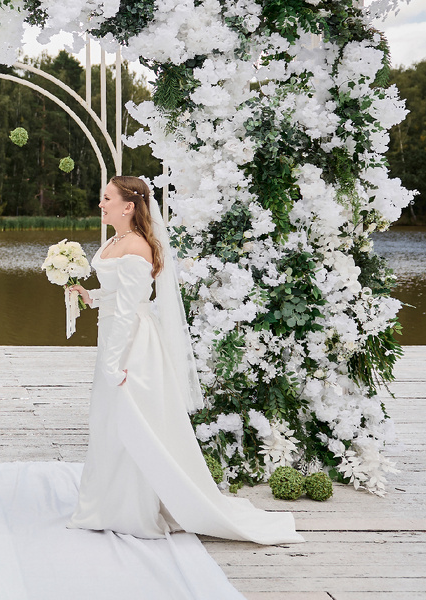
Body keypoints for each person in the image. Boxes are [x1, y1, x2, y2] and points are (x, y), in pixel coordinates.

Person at [66, 176, 303, 545]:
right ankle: (106, 503)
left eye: (107, 198)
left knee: (132, 423)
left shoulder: (137, 249)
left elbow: (130, 313)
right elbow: (118, 297)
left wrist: (114, 365)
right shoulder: (116, 241)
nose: (101, 204)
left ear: (128, 206)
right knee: (107, 422)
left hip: (130, 346)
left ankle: (133, 510)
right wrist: (91, 297)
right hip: (112, 337)